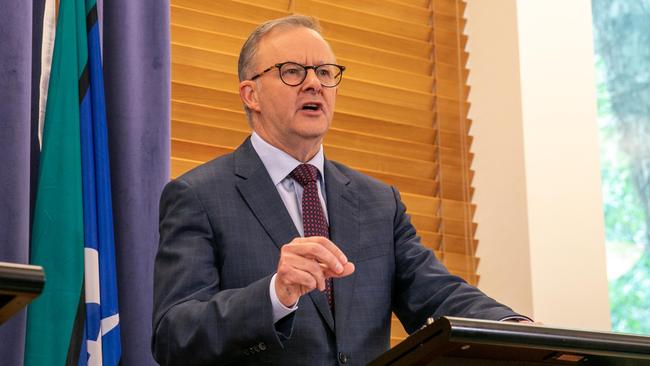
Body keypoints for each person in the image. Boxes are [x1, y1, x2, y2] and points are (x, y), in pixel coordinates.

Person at [152, 15, 529, 366]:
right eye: (292, 72)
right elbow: (174, 334)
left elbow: (437, 293)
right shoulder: (198, 195)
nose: (314, 82)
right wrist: (273, 296)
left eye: (325, 72)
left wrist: (513, 328)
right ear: (251, 94)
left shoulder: (379, 202)